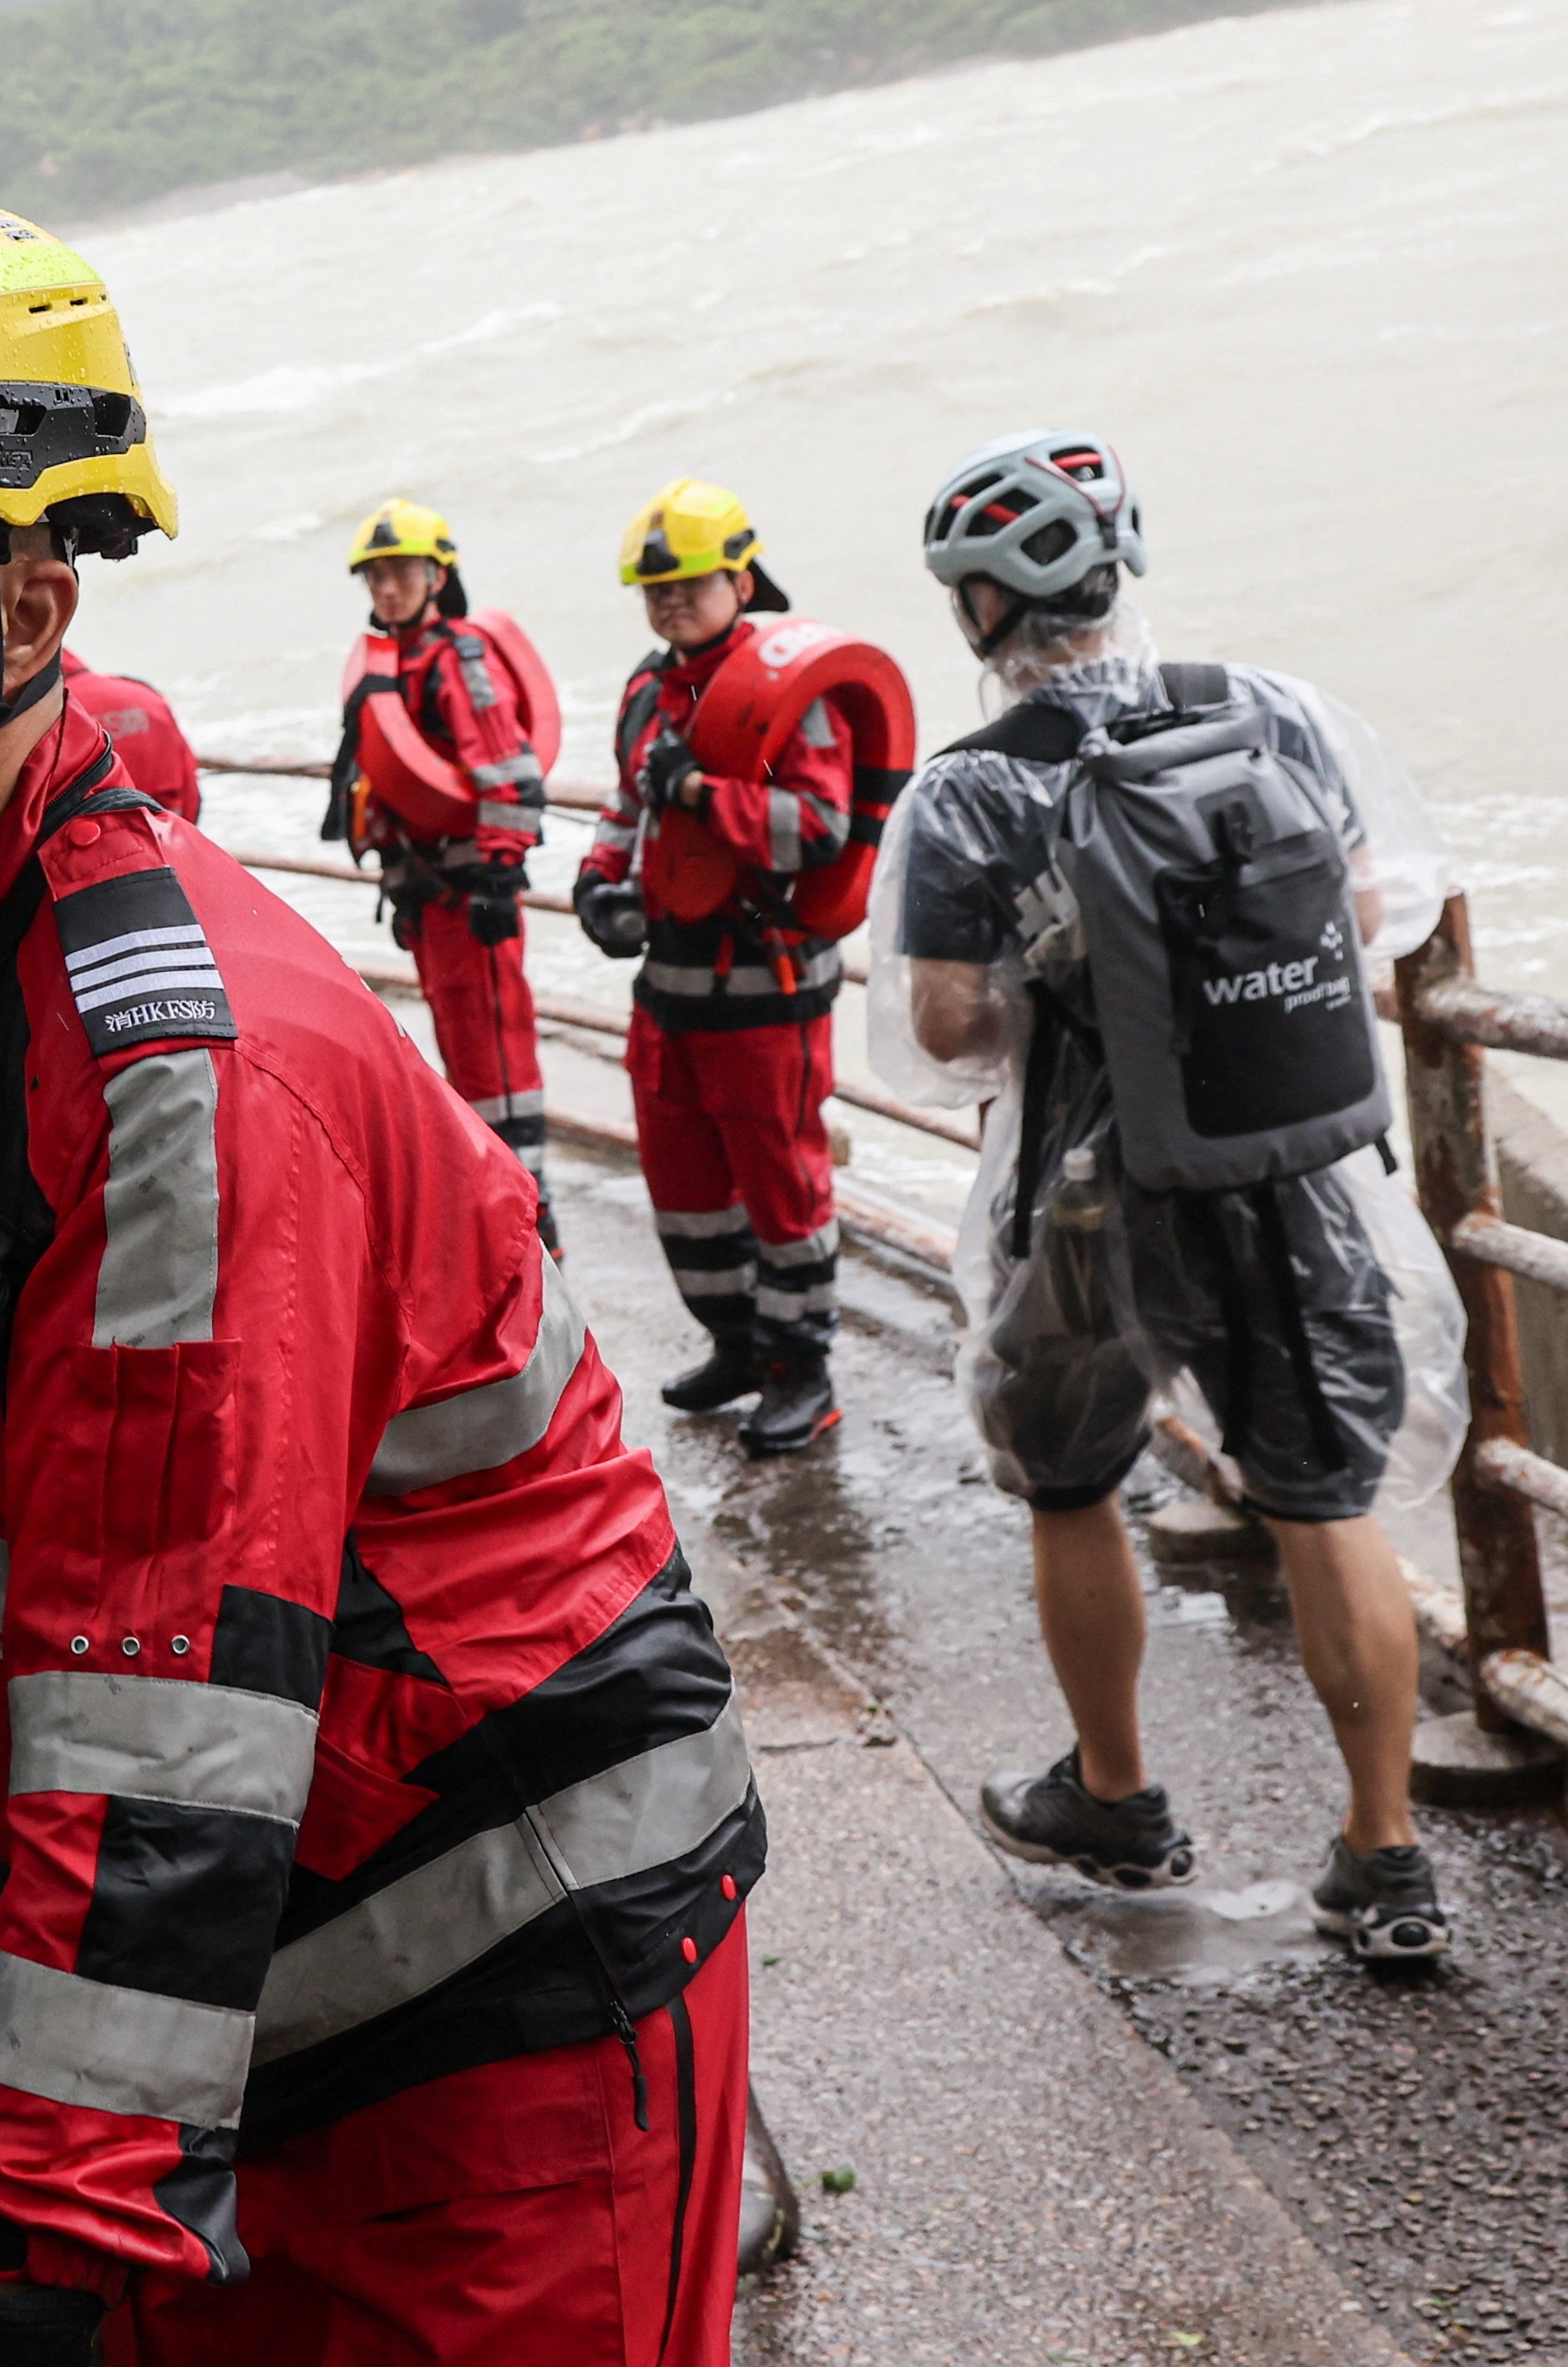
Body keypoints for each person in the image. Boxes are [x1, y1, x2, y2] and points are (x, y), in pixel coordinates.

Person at [0, 162, 763, 2367]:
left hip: (492, 1984)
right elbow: (18, 1402)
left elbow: (165, 1712)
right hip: (240, 1996)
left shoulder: (173, 1066)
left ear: (21, 597)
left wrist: (11, 2290)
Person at [874, 431, 1467, 1961]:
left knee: (1071, 1482)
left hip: (1088, 1202)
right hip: (1290, 1174)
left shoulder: (965, 796)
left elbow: (939, 1033)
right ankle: (1382, 1855)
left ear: (980, 613)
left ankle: (1117, 1796)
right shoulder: (1261, 709)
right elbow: (1361, 909)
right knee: (1323, 1501)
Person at [574, 480, 860, 1457]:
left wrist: (697, 789)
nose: (667, 604)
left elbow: (815, 828)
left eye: (686, 585)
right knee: (683, 1187)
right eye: (652, 590)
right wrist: (597, 881)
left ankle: (801, 1372)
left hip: (764, 990)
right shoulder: (644, 690)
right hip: (670, 988)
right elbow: (625, 808)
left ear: (739, 577)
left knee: (781, 1192)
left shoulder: (790, 690)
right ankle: (736, 1346)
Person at [324, 498, 559, 1240]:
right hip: (431, 898)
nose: (387, 589)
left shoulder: (457, 659)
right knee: (466, 1055)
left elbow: (512, 776)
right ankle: (497, 1208)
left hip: (471, 899)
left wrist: (496, 879)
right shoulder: (402, 665)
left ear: (437, 574)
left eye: (400, 573)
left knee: (497, 1062)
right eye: (375, 577)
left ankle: (528, 1220)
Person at [60, 646, 202, 823]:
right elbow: (189, 779)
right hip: (166, 830)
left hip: (93, 838)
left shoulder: (49, 711)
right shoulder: (144, 694)